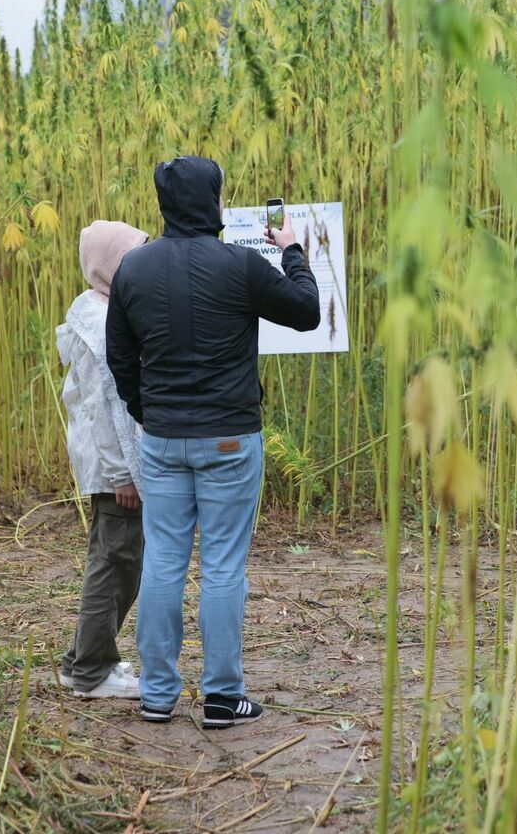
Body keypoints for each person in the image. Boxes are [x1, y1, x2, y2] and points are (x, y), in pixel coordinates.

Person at [107, 155, 320, 728]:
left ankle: (157, 695)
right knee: (224, 566)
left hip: (163, 439)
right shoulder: (241, 265)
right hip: (229, 439)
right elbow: (306, 312)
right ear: (212, 202)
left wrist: (148, 413)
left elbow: (120, 359)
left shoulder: (132, 270)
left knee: (163, 563)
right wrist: (292, 250)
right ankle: (224, 696)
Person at [56, 220, 150, 699]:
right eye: (133, 257)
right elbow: (101, 406)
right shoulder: (98, 324)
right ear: (112, 267)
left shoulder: (108, 312)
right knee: (115, 560)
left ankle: (82, 660)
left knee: (119, 559)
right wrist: (123, 476)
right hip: (115, 471)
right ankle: (92, 671)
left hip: (118, 467)